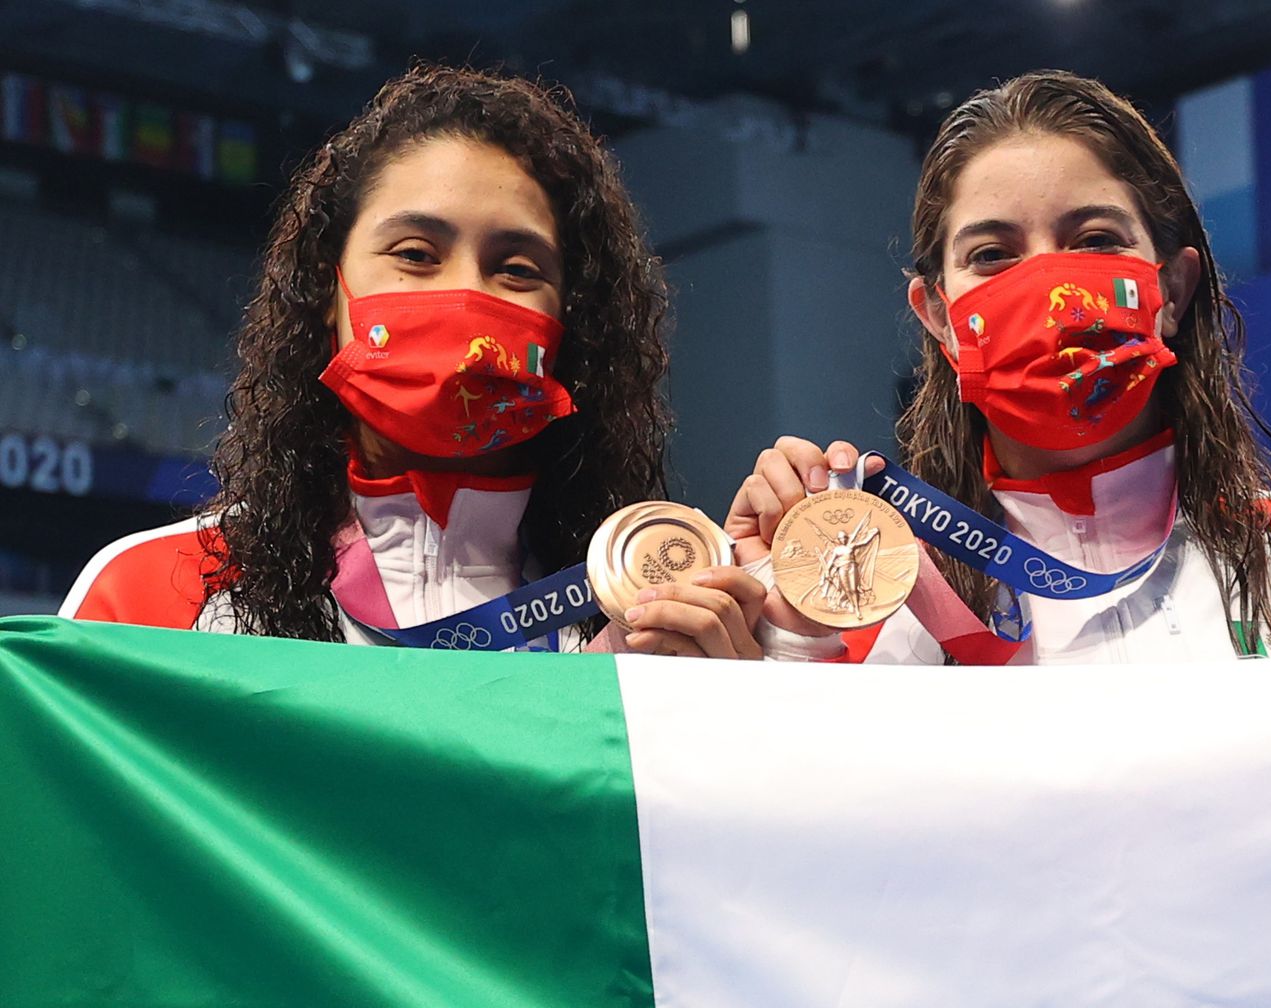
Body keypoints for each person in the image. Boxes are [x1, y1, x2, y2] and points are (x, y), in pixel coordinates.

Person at [729, 71, 1271, 664]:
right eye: (992, 255)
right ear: (940, 318)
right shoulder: (861, 594)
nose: (1049, 287)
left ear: (1171, 290)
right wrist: (792, 630)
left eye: (1095, 239)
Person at [60, 65, 765, 659]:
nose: (464, 295)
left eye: (516, 269)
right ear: (325, 293)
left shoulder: (648, 609)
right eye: (416, 255)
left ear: (571, 325)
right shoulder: (149, 594)